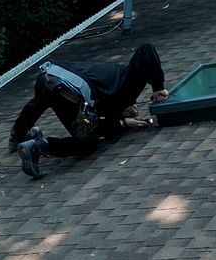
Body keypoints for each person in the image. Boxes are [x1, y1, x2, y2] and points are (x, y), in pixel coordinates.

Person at [9, 43, 169, 178]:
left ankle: (20, 138)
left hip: (50, 75)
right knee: (87, 143)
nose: (134, 112)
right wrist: (158, 88)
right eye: (134, 109)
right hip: (67, 87)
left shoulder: (109, 103)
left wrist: (123, 123)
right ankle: (38, 146)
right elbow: (146, 50)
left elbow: (101, 128)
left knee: (43, 102)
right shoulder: (126, 83)